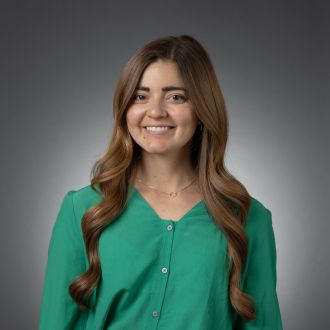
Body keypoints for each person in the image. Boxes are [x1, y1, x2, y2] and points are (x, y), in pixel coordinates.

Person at [39, 35, 283, 329]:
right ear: (125, 108)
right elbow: (57, 321)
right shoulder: (83, 209)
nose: (155, 111)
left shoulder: (247, 218)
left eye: (175, 97)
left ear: (203, 110)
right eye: (140, 96)